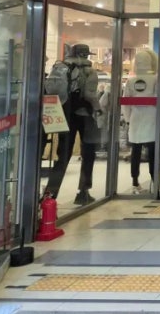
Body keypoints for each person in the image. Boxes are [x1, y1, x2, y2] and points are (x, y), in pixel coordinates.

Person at [43, 43, 101, 206]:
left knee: (63, 155)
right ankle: (83, 192)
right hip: (84, 116)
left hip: (65, 114)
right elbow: (90, 95)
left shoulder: (61, 67)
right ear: (85, 55)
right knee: (88, 153)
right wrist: (98, 109)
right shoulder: (89, 71)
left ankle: (50, 195)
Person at [122, 49, 160, 194]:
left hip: (136, 118)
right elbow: (159, 99)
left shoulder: (131, 80)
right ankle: (154, 181)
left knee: (136, 151)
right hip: (152, 117)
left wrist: (127, 119)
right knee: (152, 152)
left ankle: (135, 182)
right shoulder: (156, 79)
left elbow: (125, 103)